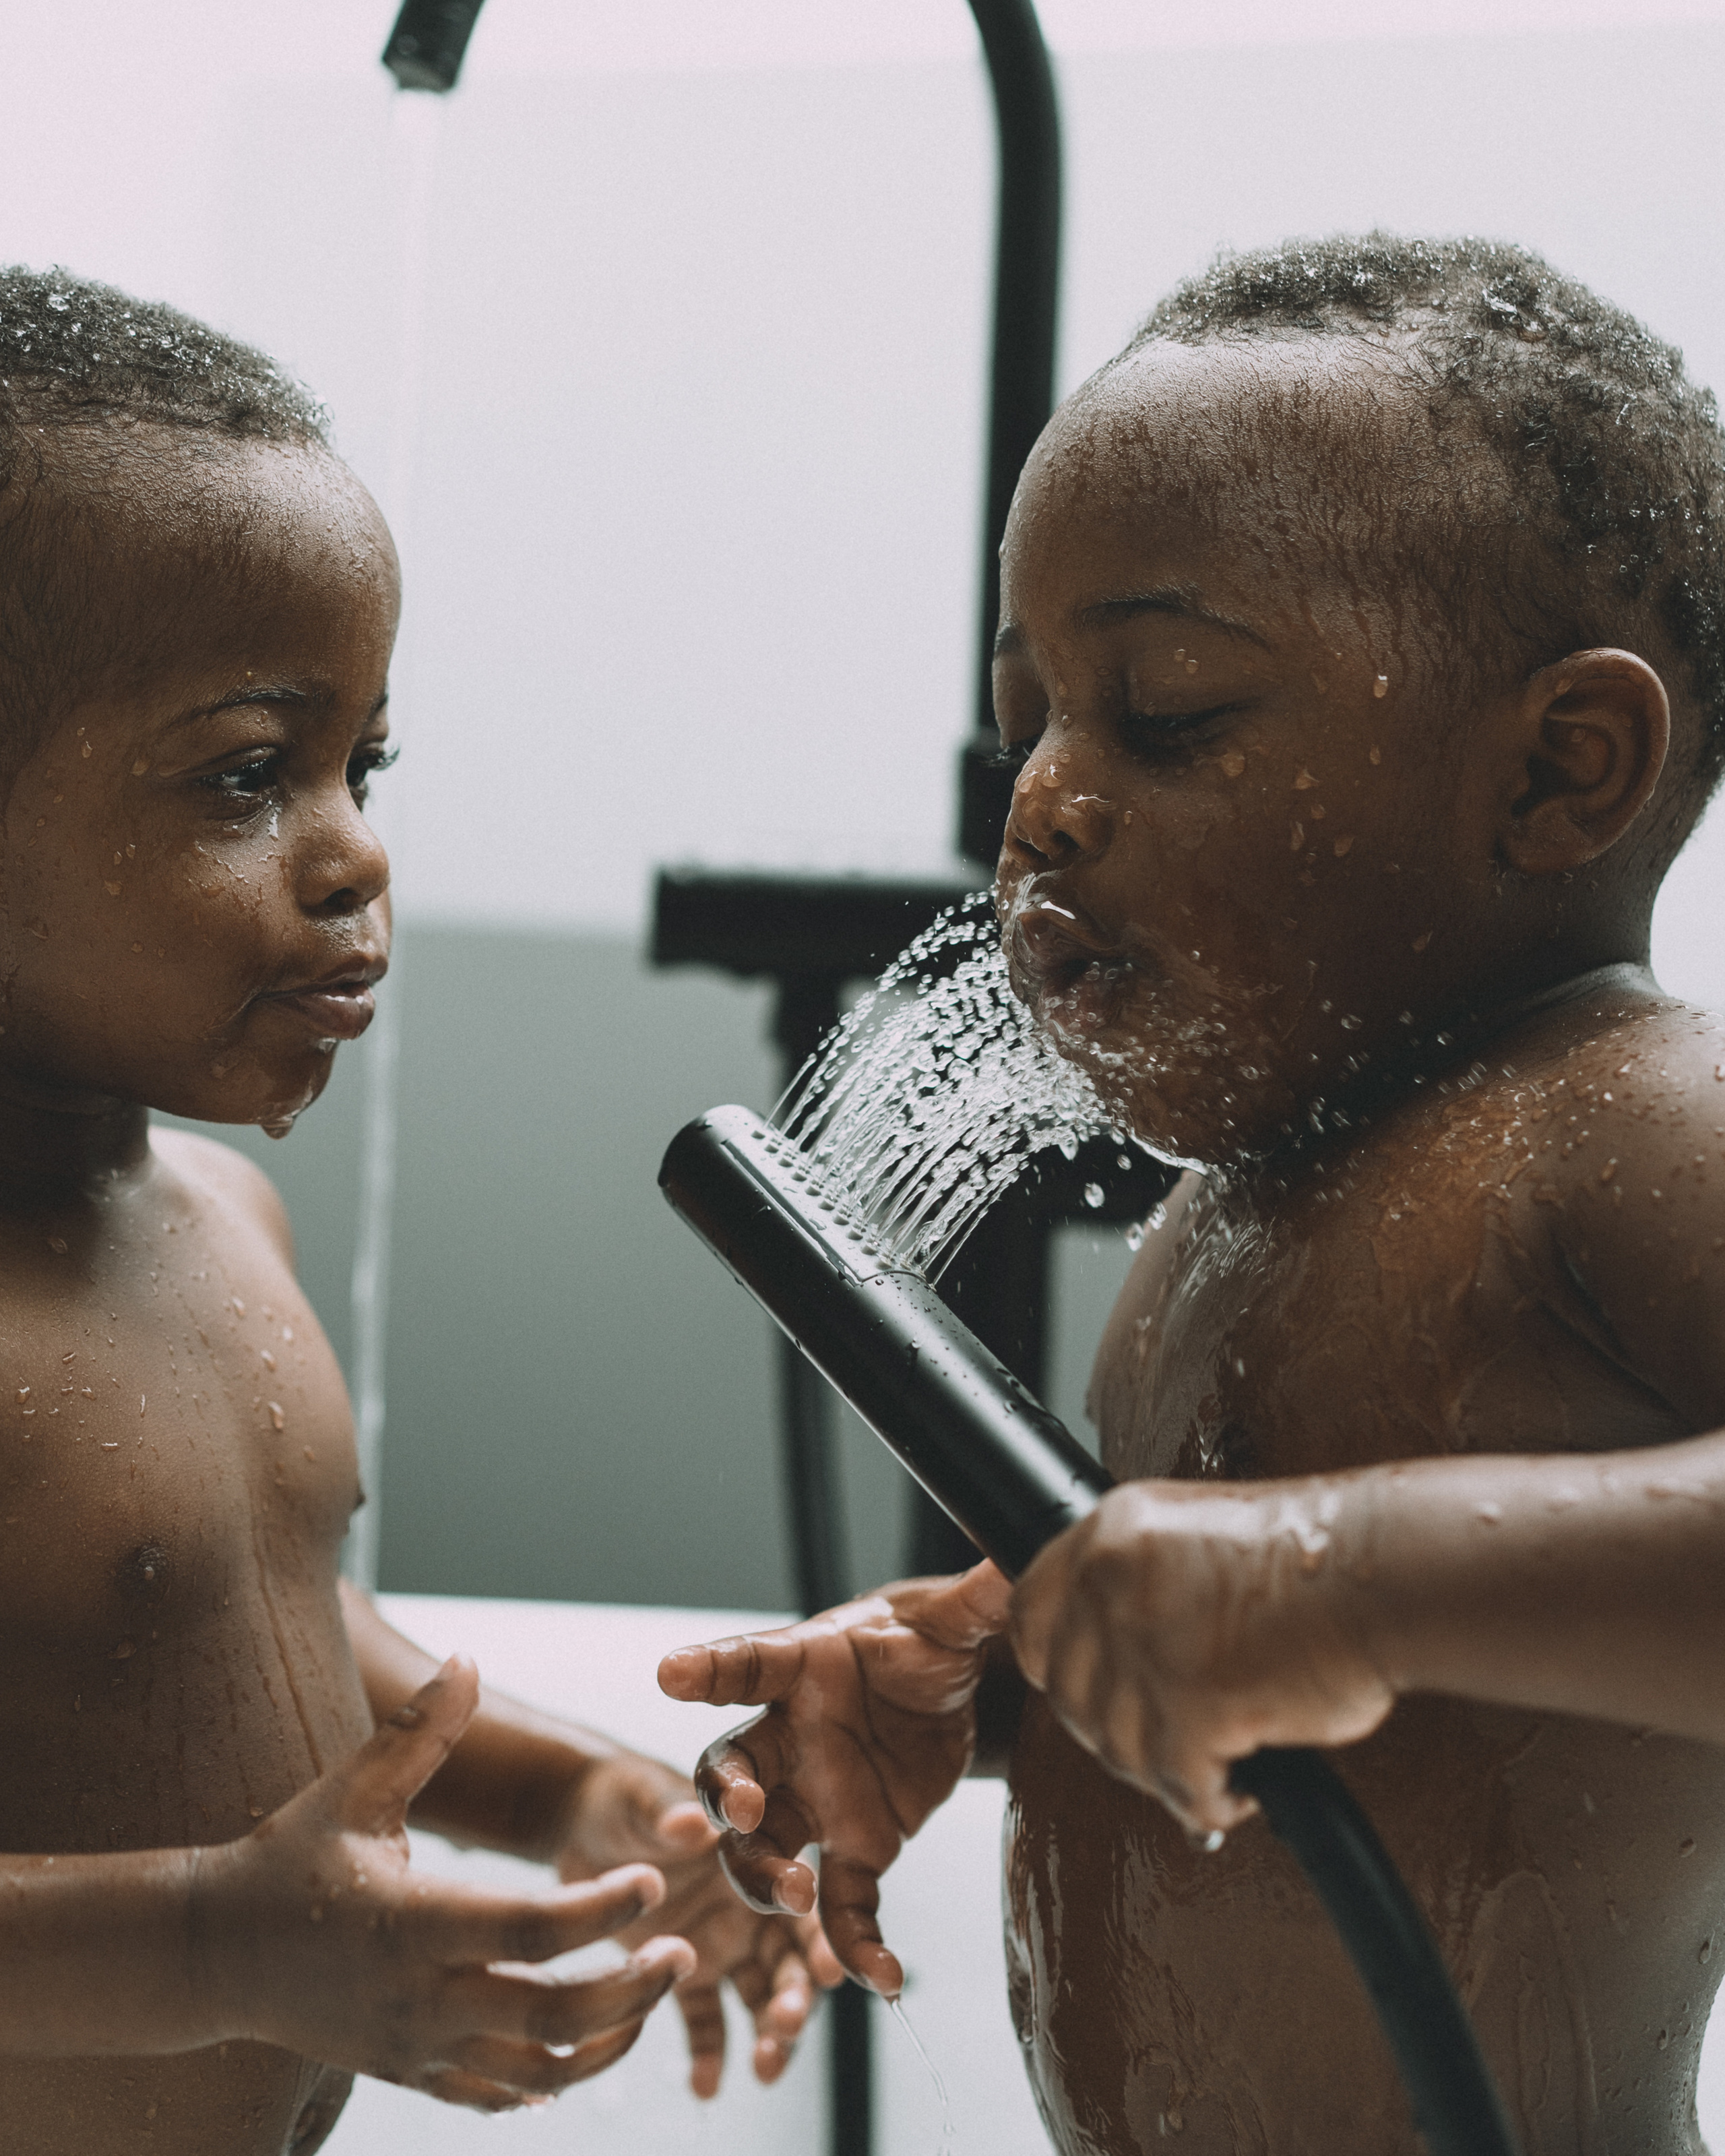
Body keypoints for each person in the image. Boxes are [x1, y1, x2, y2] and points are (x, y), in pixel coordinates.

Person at [661, 235, 1725, 2155]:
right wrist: (1009, 1682)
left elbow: (1348, 1585)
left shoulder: (1627, 1127)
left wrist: (1339, 1579)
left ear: (1565, 773)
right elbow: (1354, 1708)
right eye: (1031, 723)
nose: (1044, 805)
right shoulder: (1243, 1202)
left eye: (1166, 717)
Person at [0, 266, 834, 2156]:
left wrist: (566, 1799)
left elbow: (241, 1605)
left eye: (361, 761)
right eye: (246, 771)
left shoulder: (221, 1222)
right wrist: (210, 1940)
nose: (358, 847)